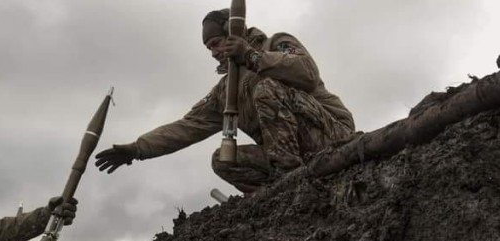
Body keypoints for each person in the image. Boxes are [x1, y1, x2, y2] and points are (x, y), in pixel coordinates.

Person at [94, 8, 356, 194]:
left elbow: (307, 73)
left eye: (217, 43)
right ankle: (275, 191)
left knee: (265, 89)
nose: (214, 53)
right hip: (289, 155)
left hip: (332, 135)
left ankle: (291, 182)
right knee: (223, 159)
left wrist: (252, 57)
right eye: (209, 48)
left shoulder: (276, 44)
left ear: (234, 34)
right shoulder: (225, 91)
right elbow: (188, 126)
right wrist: (138, 149)